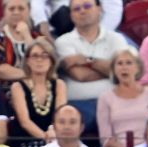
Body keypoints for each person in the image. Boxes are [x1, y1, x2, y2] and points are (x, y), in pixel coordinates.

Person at [54, 0, 127, 133]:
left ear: (99, 9)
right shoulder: (63, 42)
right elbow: (80, 75)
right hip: (78, 104)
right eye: (77, 9)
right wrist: (111, 69)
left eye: (87, 6)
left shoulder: (117, 39)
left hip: (114, 101)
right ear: (71, 15)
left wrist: (87, 60)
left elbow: (125, 71)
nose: (82, 11)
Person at [10, 38, 68, 147]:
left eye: (44, 56)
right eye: (34, 56)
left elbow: (60, 116)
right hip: (26, 142)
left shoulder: (59, 85)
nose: (39, 60)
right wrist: (46, 138)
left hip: (54, 139)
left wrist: (52, 132)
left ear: (51, 61)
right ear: (27, 61)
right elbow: (25, 122)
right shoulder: (18, 87)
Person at [0, 0, 35, 88]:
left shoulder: (38, 38)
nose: (16, 12)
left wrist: (27, 37)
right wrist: (33, 73)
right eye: (11, 9)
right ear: (4, 11)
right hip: (5, 94)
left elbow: (46, 63)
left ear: (29, 11)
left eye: (21, 8)